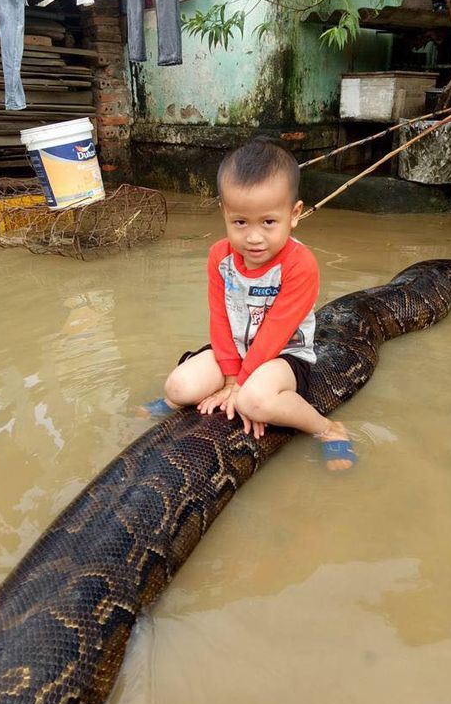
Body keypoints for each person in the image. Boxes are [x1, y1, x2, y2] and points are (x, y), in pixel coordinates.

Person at [142, 137, 356, 471]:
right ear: (224, 213)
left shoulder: (300, 264)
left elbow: (275, 332)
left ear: (294, 214)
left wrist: (239, 386)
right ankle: (173, 402)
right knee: (179, 386)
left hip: (284, 356)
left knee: (254, 401)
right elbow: (220, 319)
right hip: (235, 351)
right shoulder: (219, 257)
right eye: (240, 222)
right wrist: (229, 377)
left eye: (268, 222)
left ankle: (327, 429)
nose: (253, 238)